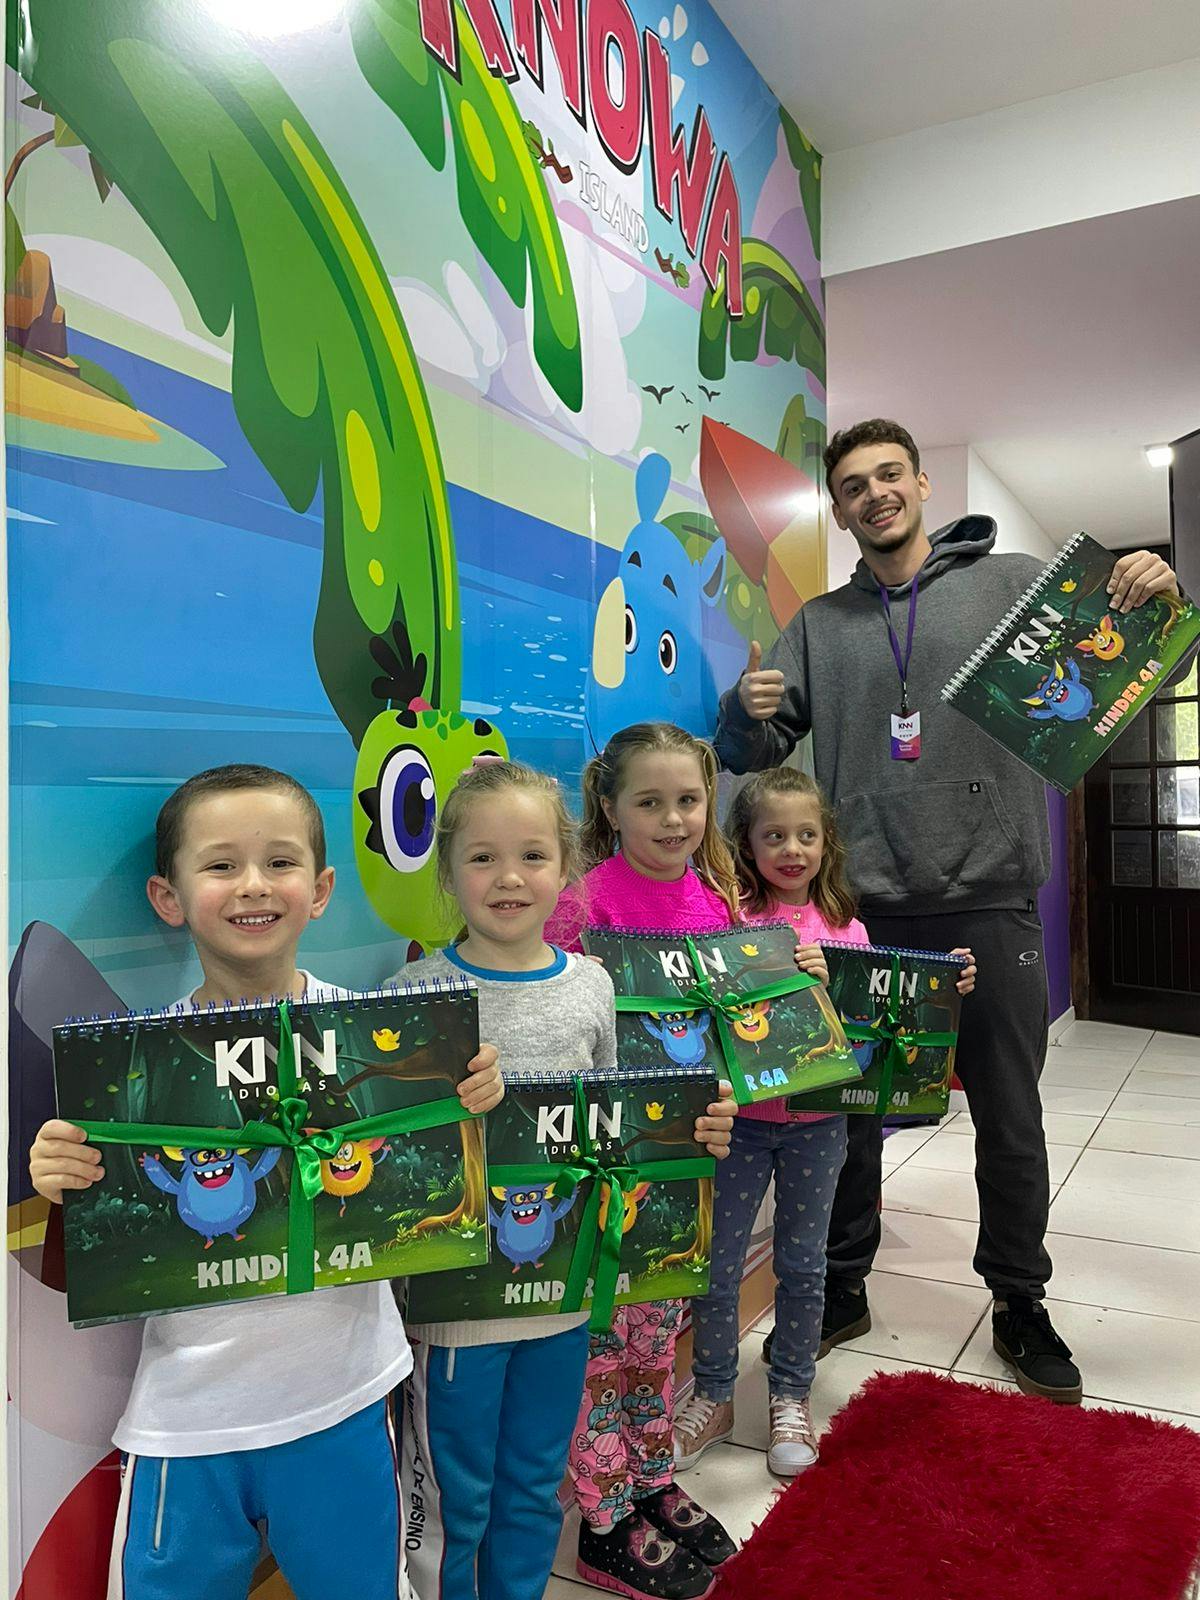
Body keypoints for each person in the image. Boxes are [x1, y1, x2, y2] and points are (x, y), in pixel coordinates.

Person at [713, 420, 1178, 1406]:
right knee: (852, 1116)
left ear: (921, 481)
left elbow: (1144, 670)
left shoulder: (1013, 582)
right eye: (852, 484)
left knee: (1009, 1119)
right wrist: (742, 711)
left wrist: (1162, 599)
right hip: (861, 912)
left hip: (990, 897)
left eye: (889, 474)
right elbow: (757, 754)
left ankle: (1020, 1301)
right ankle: (841, 1284)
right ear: (837, 510)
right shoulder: (817, 626)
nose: (874, 493)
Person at [28, 763, 503, 1600]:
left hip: (346, 1401)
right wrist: (59, 1171)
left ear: (320, 891)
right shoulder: (131, 1074)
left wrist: (474, 1102)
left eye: (281, 863)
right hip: (183, 1416)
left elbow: (442, 1183)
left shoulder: (383, 1045)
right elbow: (106, 1218)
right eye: (220, 865)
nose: (254, 886)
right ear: (168, 897)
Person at [390, 758, 736, 1600]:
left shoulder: (593, 986)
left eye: (533, 856)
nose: (509, 878)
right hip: (456, 1314)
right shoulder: (415, 995)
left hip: (567, 1297)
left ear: (567, 867)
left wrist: (696, 1131)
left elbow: (617, 1132)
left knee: (536, 1482)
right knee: (454, 1499)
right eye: (481, 858)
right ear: (447, 873)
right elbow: (393, 1169)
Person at [675, 768, 975, 1476]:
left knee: (805, 1265)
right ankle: (713, 1394)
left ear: (826, 844)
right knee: (717, 1264)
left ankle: (790, 1396)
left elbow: (879, 1018)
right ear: (747, 845)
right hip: (743, 1121)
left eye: (806, 835)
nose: (792, 848)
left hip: (820, 1124)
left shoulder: (846, 927)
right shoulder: (729, 918)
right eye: (773, 835)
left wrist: (940, 977)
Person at [547, 723, 740, 1600]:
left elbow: (746, 1034)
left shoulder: (718, 905)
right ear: (609, 806)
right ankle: (602, 1515)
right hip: (603, 1169)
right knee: (602, 1343)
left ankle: (651, 1479)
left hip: (684, 1169)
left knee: (658, 1339)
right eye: (650, 802)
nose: (673, 820)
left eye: (688, 801)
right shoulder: (584, 905)